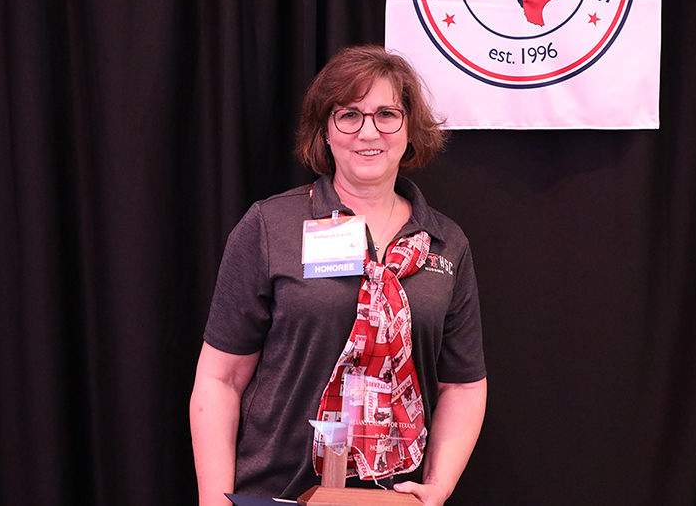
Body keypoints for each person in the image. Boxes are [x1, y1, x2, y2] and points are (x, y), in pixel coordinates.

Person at [190, 45, 487, 506]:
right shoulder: (271, 227)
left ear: (409, 128)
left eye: (387, 114)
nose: (369, 132)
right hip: (277, 494)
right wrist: (213, 502)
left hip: (392, 501)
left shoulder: (446, 243)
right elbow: (220, 378)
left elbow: (463, 384)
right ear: (325, 131)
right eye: (349, 115)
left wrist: (438, 488)